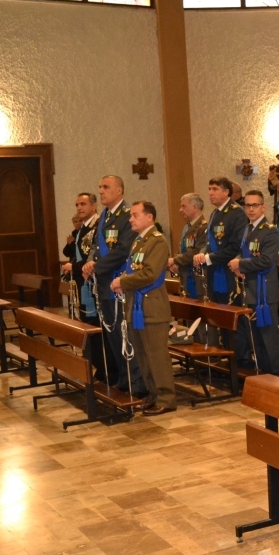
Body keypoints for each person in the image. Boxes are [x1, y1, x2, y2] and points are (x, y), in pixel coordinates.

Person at [110, 201, 177, 416]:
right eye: (131, 215)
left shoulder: (157, 241)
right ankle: (153, 395)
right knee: (143, 356)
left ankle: (166, 398)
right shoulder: (139, 242)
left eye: (135, 215)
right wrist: (124, 282)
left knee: (156, 356)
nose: (130, 219)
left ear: (149, 217)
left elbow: (149, 274)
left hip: (151, 306)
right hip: (136, 306)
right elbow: (135, 269)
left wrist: (122, 282)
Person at [82, 176, 145, 397]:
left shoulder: (126, 216)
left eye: (105, 187)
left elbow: (123, 250)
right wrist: (90, 262)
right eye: (99, 187)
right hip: (104, 285)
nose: (100, 191)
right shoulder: (106, 216)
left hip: (119, 284)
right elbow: (97, 246)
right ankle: (122, 377)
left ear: (119, 190)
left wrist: (97, 266)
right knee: (113, 336)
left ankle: (136, 381)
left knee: (125, 336)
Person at [228, 190, 279, 375]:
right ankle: (264, 371)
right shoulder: (248, 229)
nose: (251, 209)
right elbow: (243, 252)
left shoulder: (270, 231)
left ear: (263, 207)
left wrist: (241, 264)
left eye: (255, 205)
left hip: (264, 292)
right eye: (247, 205)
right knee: (255, 336)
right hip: (249, 290)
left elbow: (266, 260)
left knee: (269, 335)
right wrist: (239, 263)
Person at [61, 192, 114, 383]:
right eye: (77, 205)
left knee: (97, 328)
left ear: (94, 206)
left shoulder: (98, 225)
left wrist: (73, 266)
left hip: (94, 283)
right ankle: (97, 365)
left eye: (83, 204)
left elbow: (94, 257)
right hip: (83, 284)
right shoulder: (82, 228)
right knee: (87, 326)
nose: (79, 208)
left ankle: (106, 369)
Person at [193, 177, 246, 347]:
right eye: (209, 188)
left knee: (232, 320)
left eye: (215, 189)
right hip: (215, 272)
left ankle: (239, 359)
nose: (210, 193)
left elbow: (235, 246)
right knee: (220, 318)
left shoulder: (237, 213)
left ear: (226, 192)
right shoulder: (215, 212)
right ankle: (227, 356)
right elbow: (210, 242)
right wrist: (202, 254)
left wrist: (208, 258)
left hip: (229, 273)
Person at [168, 193, 207, 299]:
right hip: (185, 276)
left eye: (184, 206)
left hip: (196, 278)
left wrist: (175, 260)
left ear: (195, 207)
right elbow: (183, 248)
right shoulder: (187, 227)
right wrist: (176, 262)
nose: (180, 210)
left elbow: (197, 251)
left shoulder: (204, 227)